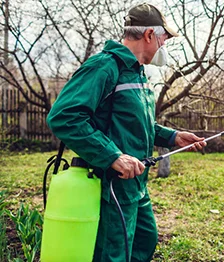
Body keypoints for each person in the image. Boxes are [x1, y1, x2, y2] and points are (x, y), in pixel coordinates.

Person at [46, 3, 206, 261]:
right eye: (164, 39)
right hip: (110, 186)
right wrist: (112, 156)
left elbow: (135, 125)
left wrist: (172, 137)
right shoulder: (104, 67)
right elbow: (64, 117)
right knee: (114, 254)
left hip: (136, 185)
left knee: (145, 238)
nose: (164, 46)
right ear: (150, 35)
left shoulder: (139, 74)